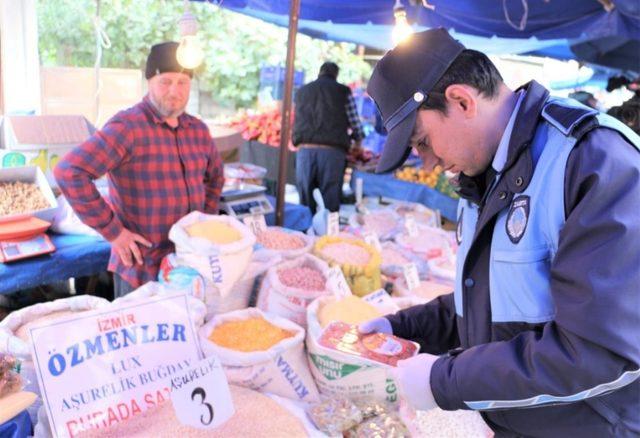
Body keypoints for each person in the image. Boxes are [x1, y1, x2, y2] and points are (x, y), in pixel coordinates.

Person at [360, 29, 640, 436]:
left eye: (422, 142)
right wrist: (402, 327)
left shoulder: (591, 159)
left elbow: (601, 353)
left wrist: (444, 380)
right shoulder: (483, 174)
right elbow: (493, 301)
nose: (427, 162)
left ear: (461, 100)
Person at [55, 42, 224, 298]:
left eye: (182, 83)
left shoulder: (198, 131)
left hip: (189, 265)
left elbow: (215, 179)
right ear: (149, 81)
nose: (174, 91)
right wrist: (115, 233)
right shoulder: (129, 127)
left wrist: (205, 224)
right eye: (165, 82)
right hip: (143, 268)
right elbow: (70, 172)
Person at [292, 61, 365, 213]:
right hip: (332, 153)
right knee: (330, 201)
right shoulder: (343, 91)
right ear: (336, 75)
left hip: (305, 151)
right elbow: (355, 122)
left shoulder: (302, 91)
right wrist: (358, 141)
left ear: (320, 72)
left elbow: (296, 119)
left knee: (305, 201)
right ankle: (329, 235)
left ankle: (304, 234)